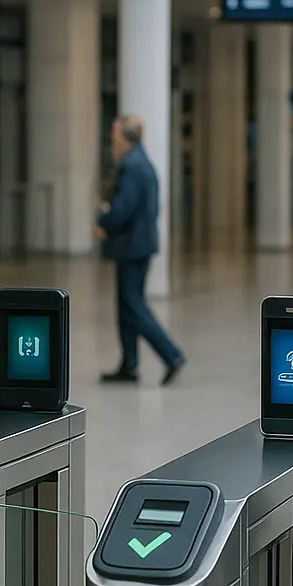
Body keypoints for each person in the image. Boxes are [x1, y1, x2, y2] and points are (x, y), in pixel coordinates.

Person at [95, 114, 185, 386]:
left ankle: (171, 355)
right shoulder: (140, 162)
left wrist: (105, 221)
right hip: (136, 244)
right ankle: (129, 363)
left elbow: (124, 207)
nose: (112, 140)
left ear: (125, 137)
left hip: (132, 246)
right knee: (126, 305)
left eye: (115, 135)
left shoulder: (132, 166)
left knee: (133, 305)